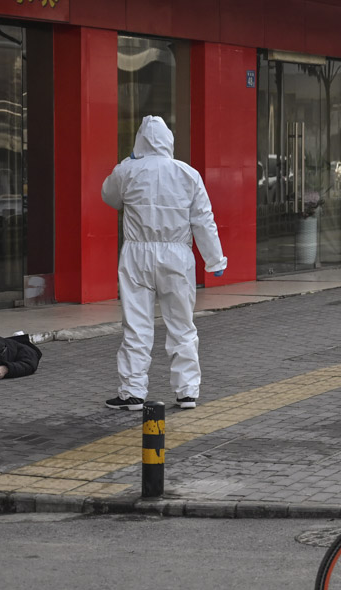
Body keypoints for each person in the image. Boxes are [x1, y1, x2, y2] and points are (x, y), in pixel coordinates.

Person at [101, 116, 227, 412]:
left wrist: (127, 161)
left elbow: (109, 197)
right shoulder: (188, 174)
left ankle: (132, 392)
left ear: (139, 141)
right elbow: (203, 220)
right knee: (182, 324)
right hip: (177, 256)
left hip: (137, 255)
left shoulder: (127, 171)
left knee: (136, 325)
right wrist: (214, 259)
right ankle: (187, 392)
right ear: (169, 141)